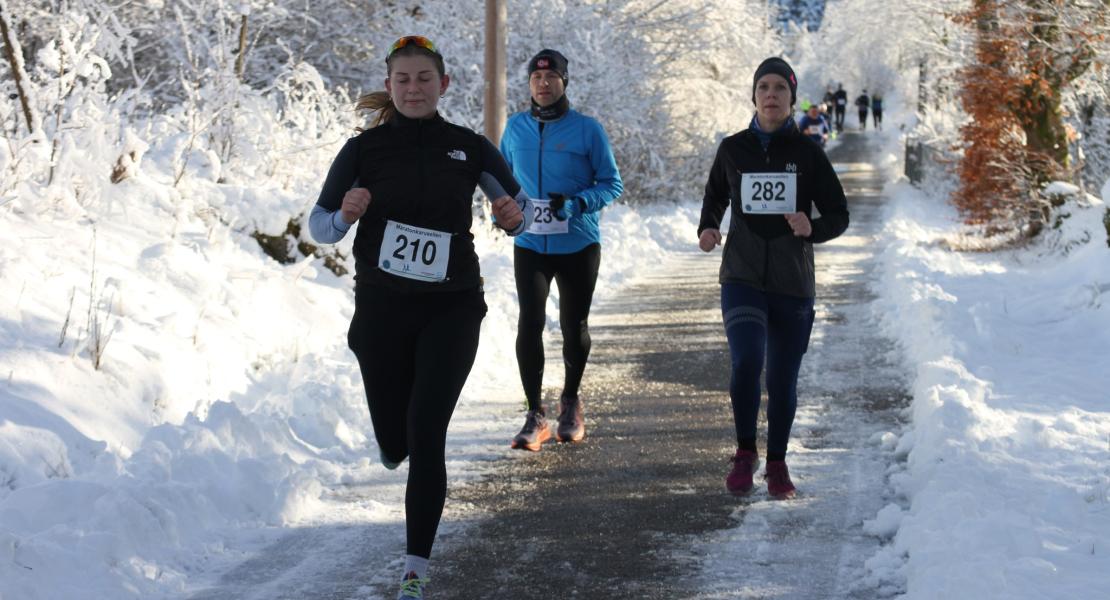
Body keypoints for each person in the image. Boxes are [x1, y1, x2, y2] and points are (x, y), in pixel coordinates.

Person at [308, 35, 533, 600]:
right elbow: (320, 226)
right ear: (389, 86)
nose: (413, 88)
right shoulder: (363, 150)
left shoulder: (470, 147)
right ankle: (392, 442)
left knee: (427, 434)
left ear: (443, 85)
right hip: (382, 310)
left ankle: (414, 570)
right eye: (403, 80)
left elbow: (519, 212)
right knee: (397, 438)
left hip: (451, 304)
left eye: (424, 79)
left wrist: (511, 215)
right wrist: (343, 214)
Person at [696, 57, 849, 500]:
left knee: (781, 379)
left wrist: (812, 228)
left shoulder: (808, 154)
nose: (770, 94)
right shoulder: (732, 148)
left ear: (791, 97)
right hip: (741, 275)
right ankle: (746, 452)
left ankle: (777, 463)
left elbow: (839, 213)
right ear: (753, 95)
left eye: (780, 87)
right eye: (763, 86)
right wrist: (708, 227)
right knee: (746, 361)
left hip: (792, 282)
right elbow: (715, 196)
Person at [499, 49, 623, 451]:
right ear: (529, 84)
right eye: (537, 78)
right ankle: (536, 415)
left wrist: (577, 203)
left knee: (574, 326)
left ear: (564, 82)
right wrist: (501, 211)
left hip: (578, 242)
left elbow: (611, 183)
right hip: (531, 241)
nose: (544, 84)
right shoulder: (514, 128)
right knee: (529, 322)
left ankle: (570, 401)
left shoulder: (587, 130)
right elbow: (500, 180)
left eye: (552, 77)